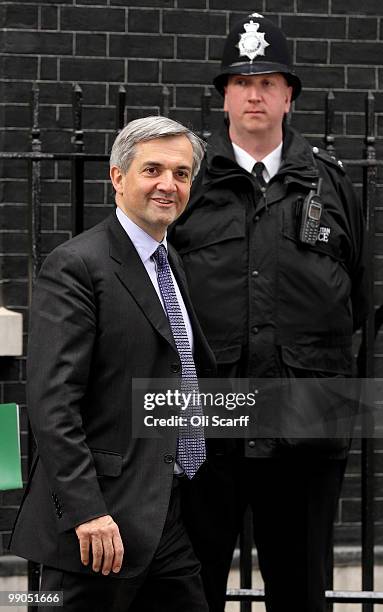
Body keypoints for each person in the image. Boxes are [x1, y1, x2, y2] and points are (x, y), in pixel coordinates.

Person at [169, 12, 368, 612]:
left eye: (269, 81)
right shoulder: (187, 187)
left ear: (288, 97)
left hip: (305, 429)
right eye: (240, 82)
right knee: (188, 588)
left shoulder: (332, 187)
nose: (254, 93)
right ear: (224, 98)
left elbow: (356, 302)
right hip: (203, 426)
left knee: (302, 591)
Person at [10, 116, 216, 612]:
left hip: (164, 515)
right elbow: (53, 402)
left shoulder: (170, 263)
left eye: (182, 173)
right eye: (153, 170)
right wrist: (87, 512)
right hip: (96, 530)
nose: (168, 184)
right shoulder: (77, 265)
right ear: (118, 178)